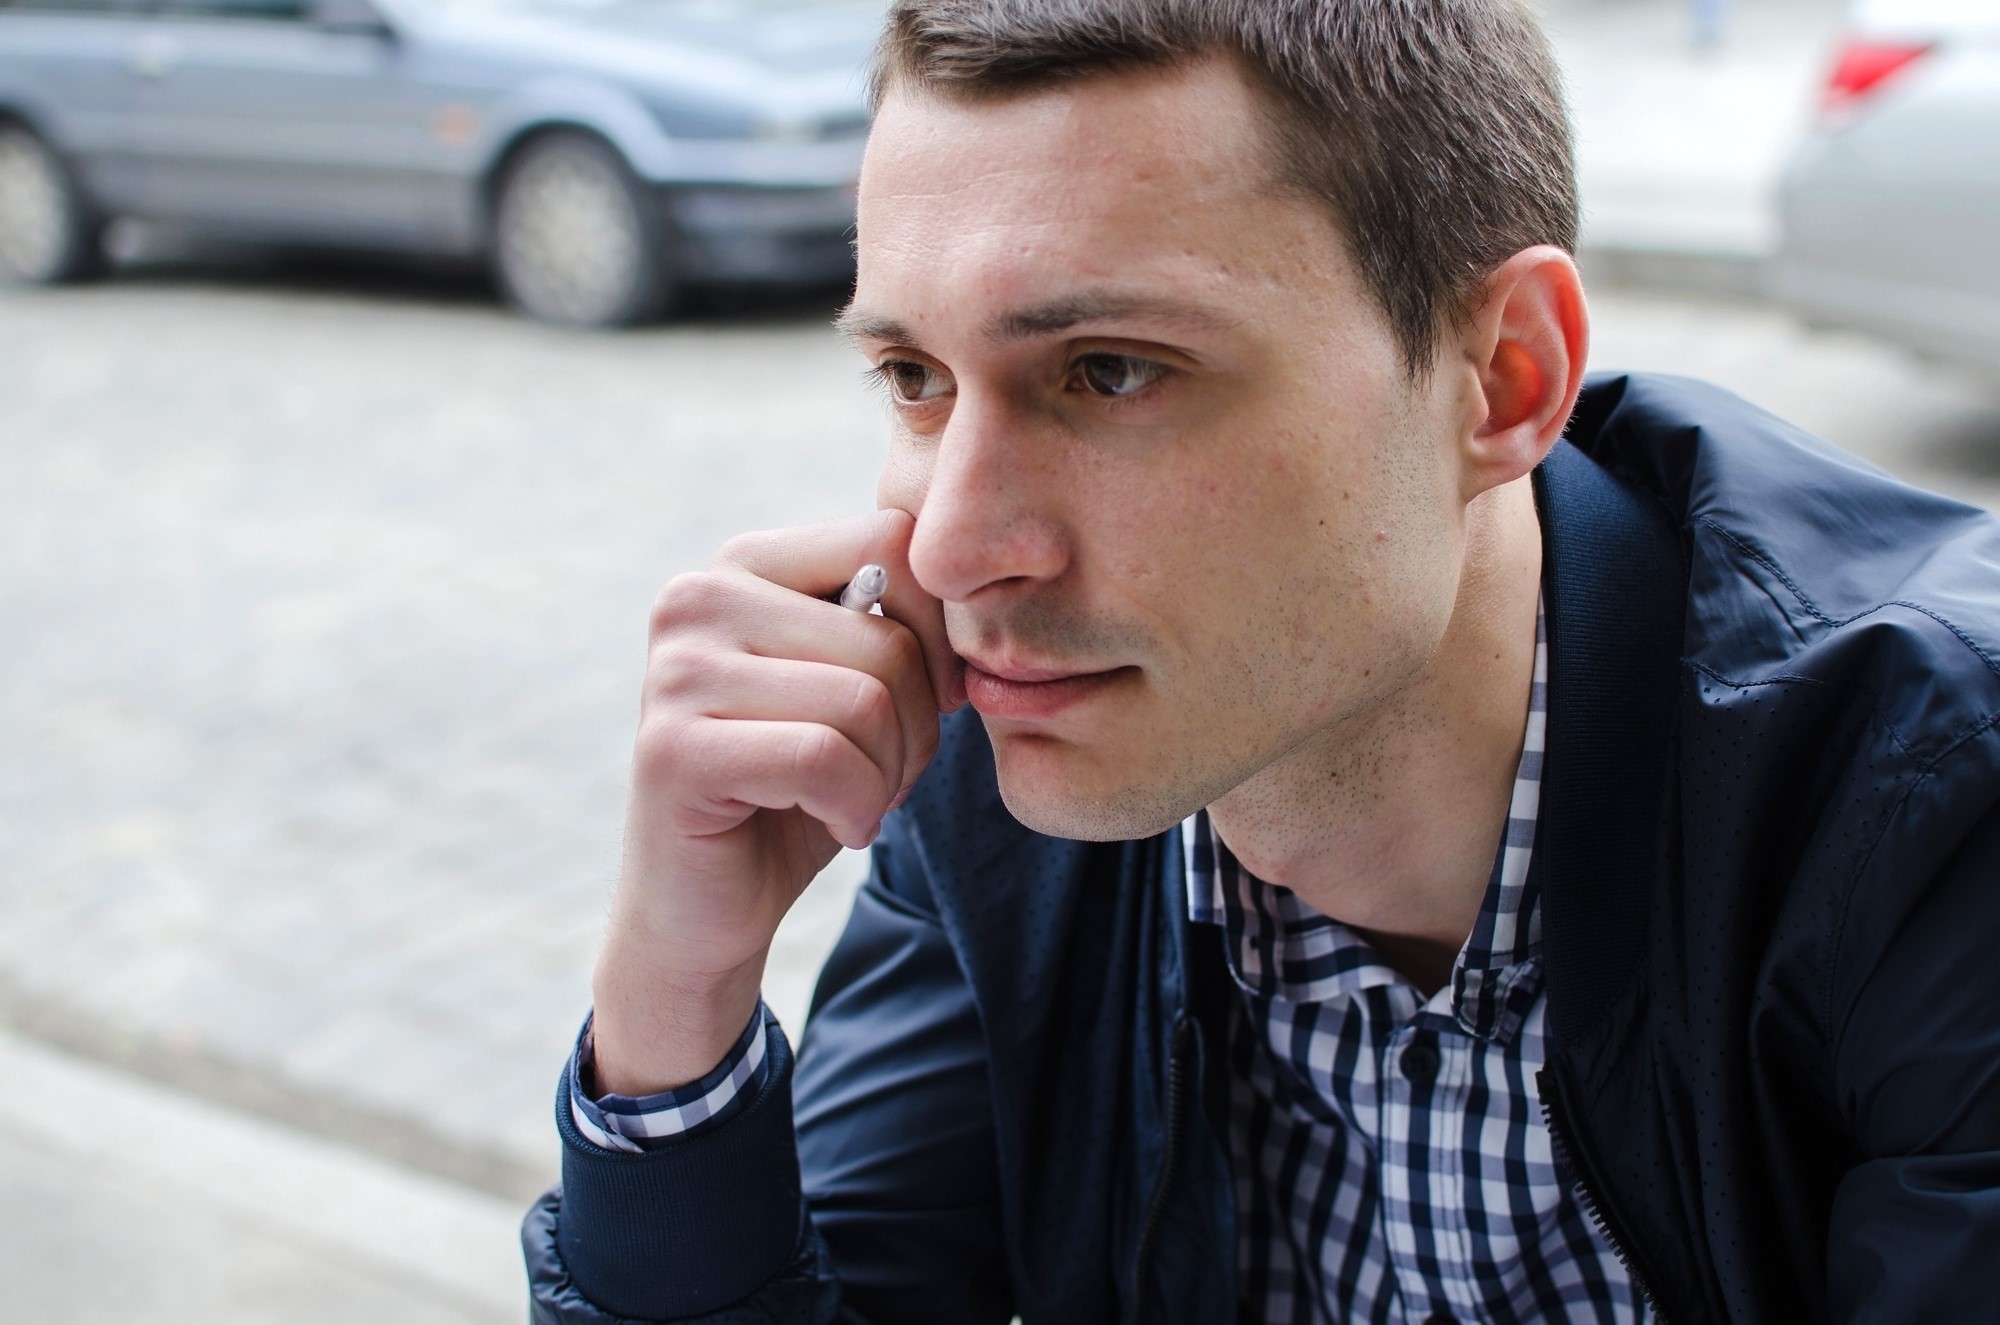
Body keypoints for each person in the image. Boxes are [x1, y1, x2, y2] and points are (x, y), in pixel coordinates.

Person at [524, 1, 2000, 1321]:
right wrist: (676, 990)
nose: (956, 550)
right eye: (915, 378)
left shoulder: (1931, 807)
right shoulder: (999, 774)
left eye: (1109, 370)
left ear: (1507, 378)